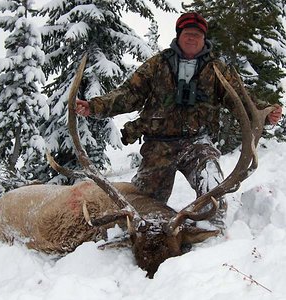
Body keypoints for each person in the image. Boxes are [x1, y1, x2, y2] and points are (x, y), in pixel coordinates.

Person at [76, 12, 282, 228]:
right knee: (142, 205)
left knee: (212, 188)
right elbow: (128, 94)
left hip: (197, 142)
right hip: (159, 145)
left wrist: (265, 112)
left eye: (197, 34)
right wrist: (94, 106)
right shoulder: (157, 65)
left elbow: (240, 98)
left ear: (204, 39)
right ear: (178, 36)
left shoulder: (216, 70)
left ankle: (211, 235)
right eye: (187, 34)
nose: (192, 38)